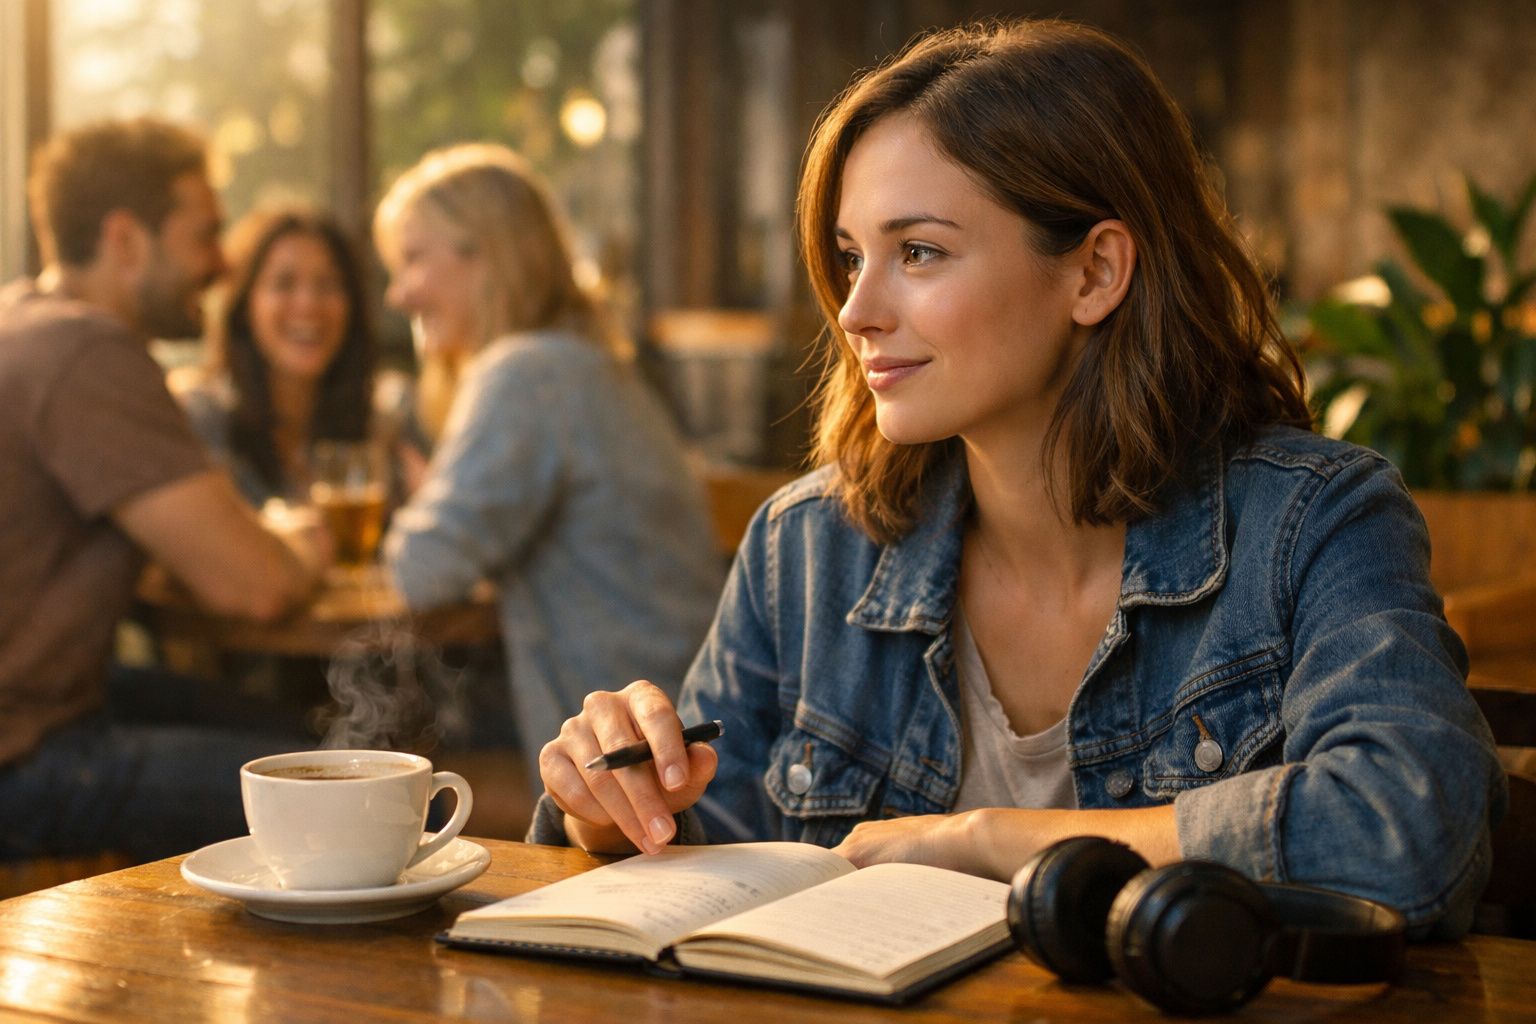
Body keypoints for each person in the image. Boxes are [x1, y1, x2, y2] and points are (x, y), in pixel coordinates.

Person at [533, 19, 1505, 938]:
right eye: (851, 257)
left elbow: (1412, 829)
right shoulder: (808, 546)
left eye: (919, 252)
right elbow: (713, 859)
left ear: (1095, 273)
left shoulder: (1314, 519)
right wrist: (611, 810)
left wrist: (991, 840)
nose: (856, 309)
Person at [0, 118, 329, 864]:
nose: (223, 263)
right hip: (22, 757)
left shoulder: (24, 323)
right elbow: (256, 587)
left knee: (307, 737)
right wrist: (306, 547)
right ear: (126, 240)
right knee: (341, 784)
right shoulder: (87, 351)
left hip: (56, 703)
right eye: (205, 235)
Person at [372, 143, 725, 778]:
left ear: (487, 255)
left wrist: (422, 501)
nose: (398, 294)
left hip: (635, 755)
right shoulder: (581, 363)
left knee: (384, 757)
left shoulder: (528, 373)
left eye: (414, 259)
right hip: (676, 716)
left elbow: (421, 570)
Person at [174, 206, 423, 507]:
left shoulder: (391, 419)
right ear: (244, 305)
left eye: (328, 284)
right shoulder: (199, 418)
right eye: (284, 283)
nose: (308, 303)